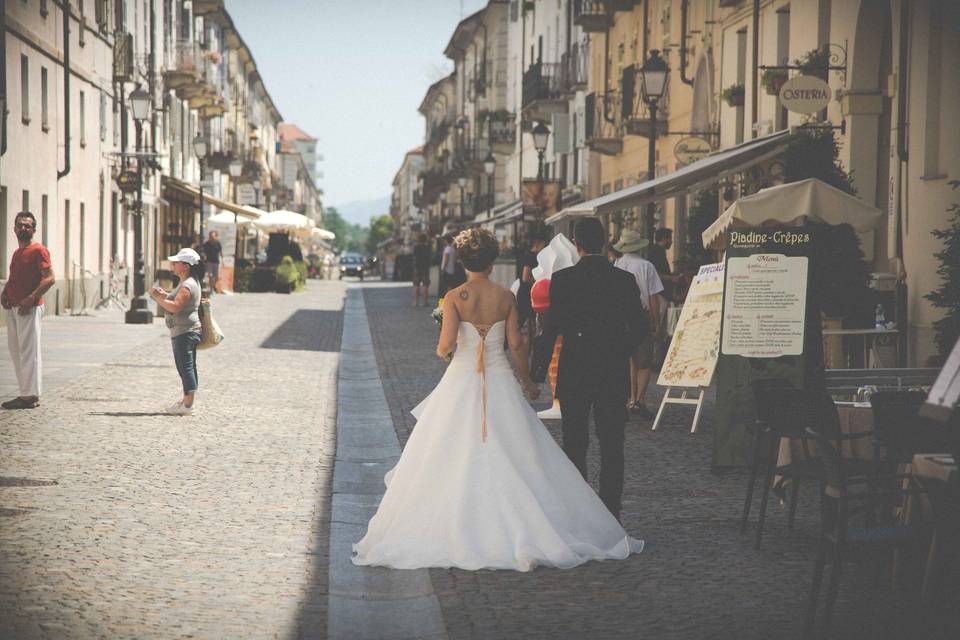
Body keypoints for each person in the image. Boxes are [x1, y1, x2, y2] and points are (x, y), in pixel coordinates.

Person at [353, 228, 643, 571]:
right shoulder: (506, 296)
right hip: (519, 377)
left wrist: (451, 347)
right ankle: (587, 515)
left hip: (467, 380)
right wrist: (528, 380)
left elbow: (446, 346)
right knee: (541, 447)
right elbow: (518, 344)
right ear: (492, 262)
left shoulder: (454, 297)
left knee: (452, 447)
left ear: (462, 261)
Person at [533, 217, 650, 520]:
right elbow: (640, 327)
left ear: (576, 244)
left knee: (575, 442)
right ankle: (611, 510)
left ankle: (579, 510)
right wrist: (620, 349)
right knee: (612, 444)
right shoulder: (623, 281)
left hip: (575, 368)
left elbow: (551, 330)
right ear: (604, 242)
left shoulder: (563, 280)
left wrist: (535, 374)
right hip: (612, 370)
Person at [1, 211, 55, 410]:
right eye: (20, 225)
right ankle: (24, 392)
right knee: (16, 351)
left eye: (27, 226)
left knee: (29, 351)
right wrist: (5, 292)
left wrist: (31, 298)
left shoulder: (39, 250)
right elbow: (14, 277)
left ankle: (30, 395)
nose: (23, 229)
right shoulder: (17, 253)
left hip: (29, 307)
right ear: (14, 228)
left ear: (33, 230)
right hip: (14, 306)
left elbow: (50, 278)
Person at [612, 228, 664, 420]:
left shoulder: (616, 264)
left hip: (622, 318)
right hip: (641, 316)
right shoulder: (646, 266)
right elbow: (653, 298)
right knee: (645, 361)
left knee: (631, 361)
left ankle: (631, 398)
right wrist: (656, 323)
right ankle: (639, 401)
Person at [150, 248, 204, 416]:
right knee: (187, 366)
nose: (173, 265)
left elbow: (176, 306)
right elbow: (177, 299)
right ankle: (186, 401)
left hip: (185, 331)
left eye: (176, 262)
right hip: (186, 330)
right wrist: (165, 294)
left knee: (185, 367)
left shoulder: (187, 285)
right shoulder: (187, 282)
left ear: (186, 266)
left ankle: (187, 405)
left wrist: (158, 298)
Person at [517, 230, 549, 329]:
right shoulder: (531, 256)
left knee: (529, 322)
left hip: (526, 293)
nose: (545, 248)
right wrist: (538, 282)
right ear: (538, 243)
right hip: (526, 294)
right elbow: (525, 278)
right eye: (544, 245)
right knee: (527, 321)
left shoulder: (530, 256)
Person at [411, 233, 432, 307]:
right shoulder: (427, 247)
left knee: (416, 285)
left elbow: (413, 256)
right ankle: (425, 302)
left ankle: (416, 302)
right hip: (425, 267)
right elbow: (430, 256)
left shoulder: (416, 247)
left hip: (417, 267)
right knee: (425, 285)